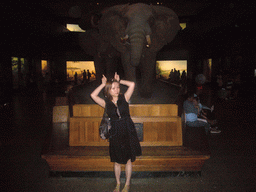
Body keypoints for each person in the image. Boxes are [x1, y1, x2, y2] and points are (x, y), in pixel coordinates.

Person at [90, 72, 142, 192]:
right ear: (108, 90)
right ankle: (118, 184)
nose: (117, 90)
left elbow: (132, 84)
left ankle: (127, 184)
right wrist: (103, 84)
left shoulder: (125, 98)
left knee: (128, 159)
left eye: (117, 87)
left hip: (128, 130)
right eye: (113, 88)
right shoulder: (105, 103)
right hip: (115, 132)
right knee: (117, 160)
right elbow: (93, 95)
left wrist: (119, 81)